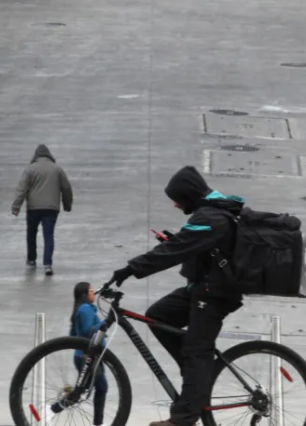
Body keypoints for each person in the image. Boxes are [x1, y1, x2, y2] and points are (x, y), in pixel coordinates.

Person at [110, 166, 245, 426]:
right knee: (158, 316)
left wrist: (131, 268)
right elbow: (188, 244)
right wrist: (175, 242)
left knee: (196, 351)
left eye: (177, 199)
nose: (174, 204)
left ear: (188, 194)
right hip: (202, 287)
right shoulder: (208, 212)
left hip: (216, 294)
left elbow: (175, 249)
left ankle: (183, 418)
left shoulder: (211, 217)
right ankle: (195, 383)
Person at [49, 282, 108, 426]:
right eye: (91, 291)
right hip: (87, 356)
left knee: (85, 389)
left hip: (83, 355)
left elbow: (73, 334)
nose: (94, 293)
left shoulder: (80, 310)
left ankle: (54, 409)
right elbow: (89, 330)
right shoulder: (86, 309)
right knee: (101, 387)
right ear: (84, 295)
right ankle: (98, 423)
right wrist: (105, 323)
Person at [11, 144, 73, 276]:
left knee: (31, 233)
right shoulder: (57, 169)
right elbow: (66, 188)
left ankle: (32, 260)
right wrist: (67, 205)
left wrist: (16, 207)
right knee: (48, 235)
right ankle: (48, 265)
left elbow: (21, 189)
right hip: (51, 208)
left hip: (33, 208)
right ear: (49, 155)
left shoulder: (30, 169)